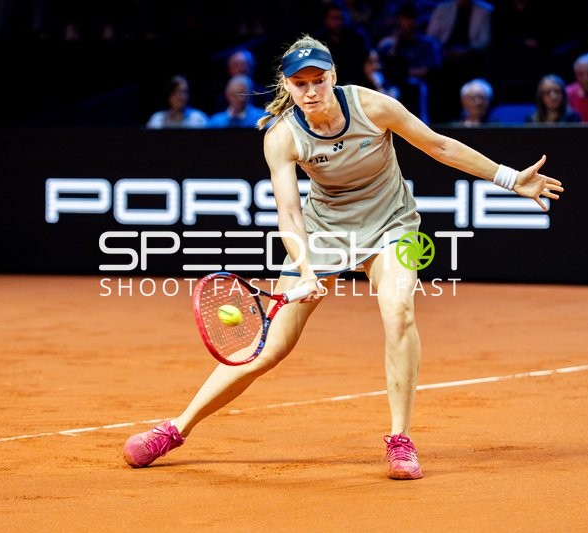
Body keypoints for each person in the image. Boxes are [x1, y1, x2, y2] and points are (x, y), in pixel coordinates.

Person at [123, 34, 563, 481]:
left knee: (399, 313)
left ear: (333, 76)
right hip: (322, 234)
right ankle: (175, 429)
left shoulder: (374, 107)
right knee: (268, 348)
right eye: (300, 83)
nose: (311, 91)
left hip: (393, 225)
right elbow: (290, 215)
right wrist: (308, 269)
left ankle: (400, 440)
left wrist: (510, 179)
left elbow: (439, 146)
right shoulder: (282, 137)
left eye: (319, 80)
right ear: (287, 86)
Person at [426, 0, 493, 58]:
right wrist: (441, 50)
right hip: (442, 52)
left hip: (471, 53)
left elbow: (484, 40)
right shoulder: (442, 9)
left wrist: (467, 50)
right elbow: (431, 36)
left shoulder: (484, 10)